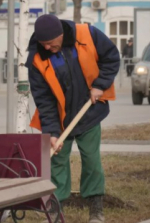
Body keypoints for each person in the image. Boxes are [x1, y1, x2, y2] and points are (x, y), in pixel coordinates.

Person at [26, 14, 120, 223]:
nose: (48, 48)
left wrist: (100, 84)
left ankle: (96, 210)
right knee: (57, 161)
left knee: (91, 160)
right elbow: (44, 100)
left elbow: (111, 57)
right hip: (59, 117)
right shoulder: (36, 59)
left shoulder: (88, 34)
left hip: (89, 112)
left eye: (51, 44)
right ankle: (55, 212)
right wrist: (51, 132)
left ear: (61, 34)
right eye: (43, 44)